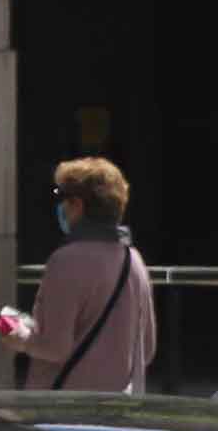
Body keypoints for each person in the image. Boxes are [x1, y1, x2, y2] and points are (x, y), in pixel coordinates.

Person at [8, 157, 158, 392]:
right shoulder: (134, 260)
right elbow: (146, 348)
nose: (60, 206)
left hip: (65, 405)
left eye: (61, 196)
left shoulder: (65, 261)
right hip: (119, 404)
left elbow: (55, 347)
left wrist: (20, 337)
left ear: (77, 204)